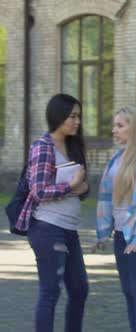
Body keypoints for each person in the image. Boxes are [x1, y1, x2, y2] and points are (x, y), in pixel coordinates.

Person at [15, 93, 89, 332]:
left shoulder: (72, 145)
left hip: (70, 229)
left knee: (79, 289)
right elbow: (38, 191)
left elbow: (80, 187)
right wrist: (70, 186)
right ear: (58, 116)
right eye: (72, 116)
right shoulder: (42, 147)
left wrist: (83, 188)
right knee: (51, 291)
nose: (77, 121)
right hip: (47, 228)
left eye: (79, 116)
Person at [94, 105, 136, 332]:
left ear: (135, 128)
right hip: (121, 234)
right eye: (114, 125)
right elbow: (106, 199)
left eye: (120, 126)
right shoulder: (117, 158)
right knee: (128, 291)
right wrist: (104, 233)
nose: (114, 130)